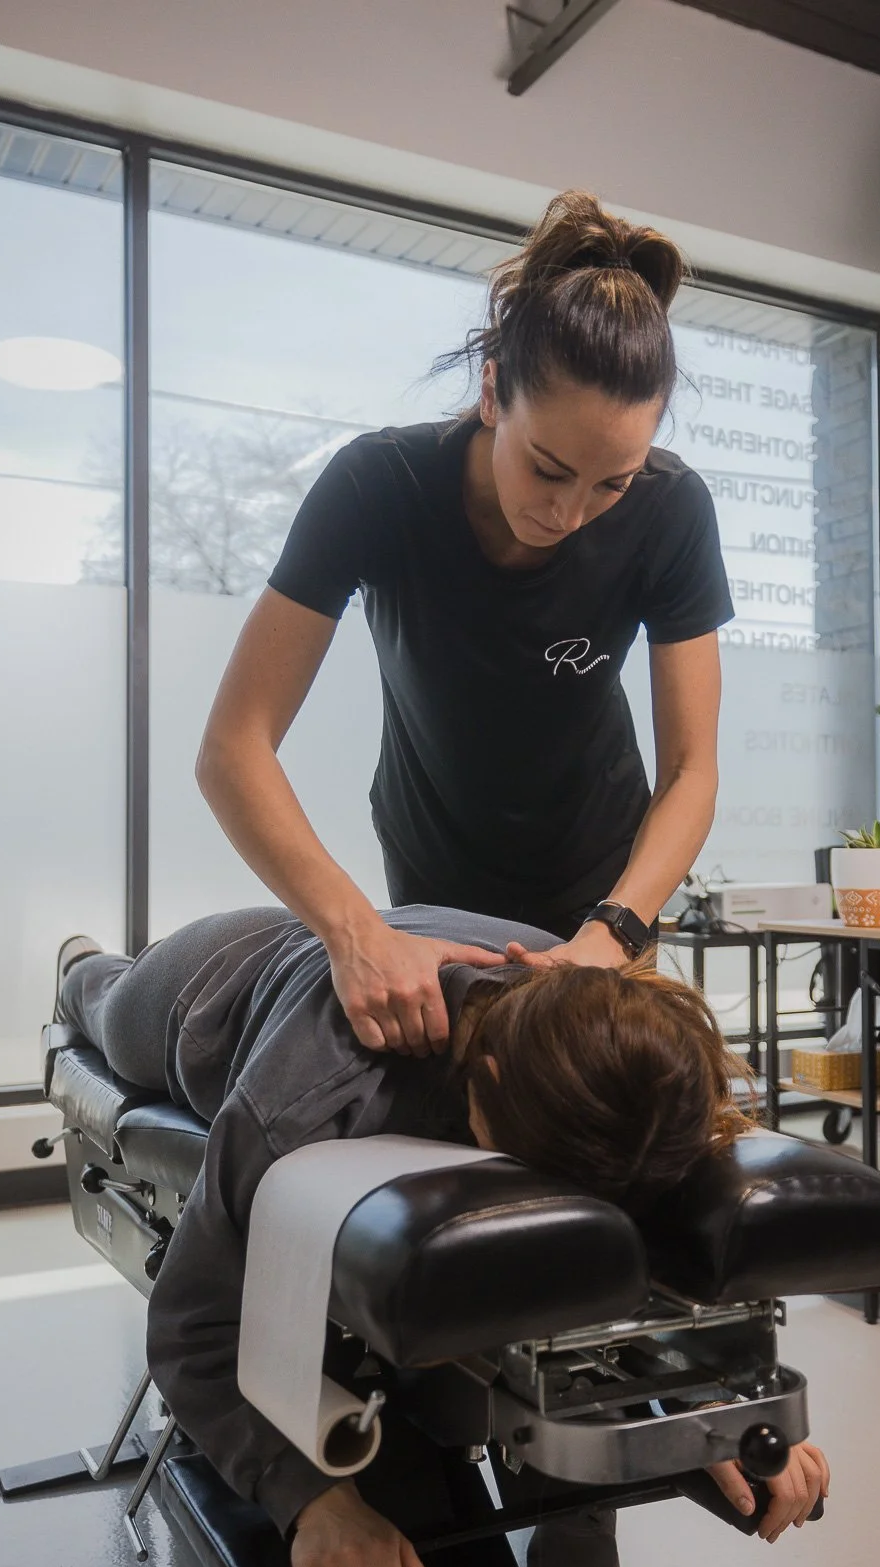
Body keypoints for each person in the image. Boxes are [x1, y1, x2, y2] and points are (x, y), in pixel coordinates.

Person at [55, 915, 830, 1567]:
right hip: (220, 976)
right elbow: (193, 1327)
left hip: (456, 933)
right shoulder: (305, 1099)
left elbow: (651, 1229)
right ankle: (81, 960)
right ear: (486, 1084)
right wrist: (316, 1502)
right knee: (105, 1002)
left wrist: (721, 1404)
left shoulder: (622, 1050)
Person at [195, 189, 734, 1063]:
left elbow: (690, 769)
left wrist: (615, 933)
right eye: (549, 468)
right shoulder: (379, 486)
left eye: (612, 483)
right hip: (433, 872)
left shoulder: (673, 511)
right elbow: (233, 747)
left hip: (606, 881)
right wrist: (354, 929)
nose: (570, 513)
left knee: (609, 1128)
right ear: (492, 392)